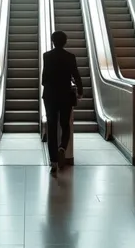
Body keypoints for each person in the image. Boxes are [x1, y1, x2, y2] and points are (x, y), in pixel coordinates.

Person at [42, 31, 83, 175]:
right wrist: (80, 90)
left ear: (53, 41)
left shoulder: (46, 56)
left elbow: (44, 79)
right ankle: (63, 148)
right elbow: (76, 75)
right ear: (65, 41)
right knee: (65, 125)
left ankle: (53, 161)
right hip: (66, 95)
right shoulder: (70, 57)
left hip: (50, 95)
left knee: (52, 127)